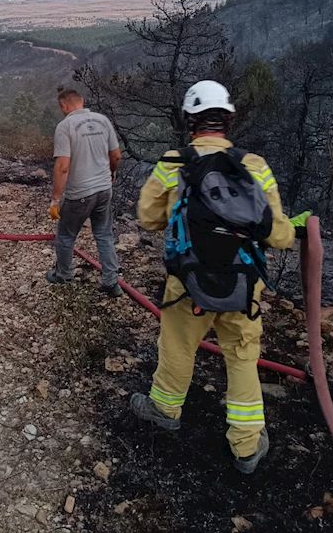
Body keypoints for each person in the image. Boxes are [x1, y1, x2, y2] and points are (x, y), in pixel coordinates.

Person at [130, 80, 311, 473]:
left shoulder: (173, 162)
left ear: (189, 120)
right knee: (243, 355)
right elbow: (278, 234)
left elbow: (147, 217)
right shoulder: (254, 165)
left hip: (188, 282)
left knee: (178, 345)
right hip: (243, 283)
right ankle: (246, 446)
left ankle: (164, 408)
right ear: (229, 119)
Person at [47, 88, 123, 298]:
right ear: (81, 102)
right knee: (104, 235)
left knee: (65, 235)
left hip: (79, 193)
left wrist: (55, 199)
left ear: (64, 105)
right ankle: (111, 281)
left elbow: (62, 166)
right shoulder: (103, 120)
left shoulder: (65, 126)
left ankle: (63, 274)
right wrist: (112, 173)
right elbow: (116, 156)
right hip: (104, 190)